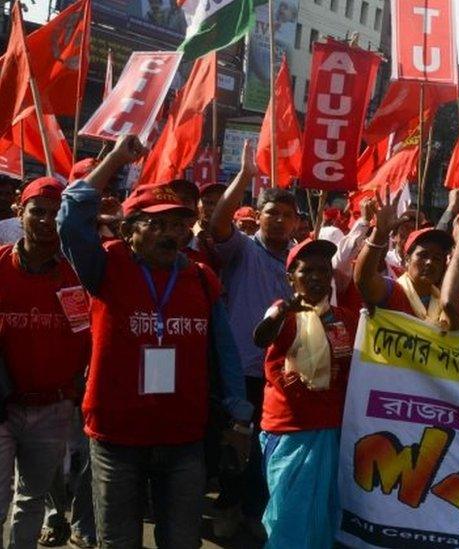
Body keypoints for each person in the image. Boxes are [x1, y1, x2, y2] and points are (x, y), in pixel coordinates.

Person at [57, 135, 253, 548]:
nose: (172, 234)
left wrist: (239, 413)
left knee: (181, 541)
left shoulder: (201, 277)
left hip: (183, 438)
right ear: (130, 230)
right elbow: (72, 217)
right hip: (116, 437)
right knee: (119, 541)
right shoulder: (105, 265)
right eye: (158, 223)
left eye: (180, 225)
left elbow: (226, 352)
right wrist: (114, 159)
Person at [209, 141, 297, 539]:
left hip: (284, 374)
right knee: (235, 446)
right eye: (270, 213)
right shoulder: (241, 250)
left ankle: (254, 514)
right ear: (258, 217)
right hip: (241, 369)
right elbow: (218, 223)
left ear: (297, 223)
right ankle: (226, 509)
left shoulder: (304, 262)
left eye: (286, 215)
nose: (277, 221)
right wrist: (244, 177)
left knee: (269, 449)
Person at [0, 178, 90, 548]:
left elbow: (89, 336)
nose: (46, 221)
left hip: (54, 407)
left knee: (31, 500)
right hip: (2, 407)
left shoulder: (78, 273)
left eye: (56, 214)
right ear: (20, 213)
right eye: (38, 211)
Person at [253, 238, 357, 548]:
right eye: (306, 271)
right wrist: (283, 311)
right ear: (291, 278)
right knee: (289, 515)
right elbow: (261, 337)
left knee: (321, 514)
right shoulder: (283, 313)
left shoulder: (345, 319)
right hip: (291, 429)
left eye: (323, 272)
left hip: (330, 428)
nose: (315, 278)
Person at [354, 190, 459, 327]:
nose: (429, 262)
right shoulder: (392, 291)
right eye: (423, 255)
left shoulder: (444, 302)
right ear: (407, 260)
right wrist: (379, 234)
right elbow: (364, 280)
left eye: (437, 258)